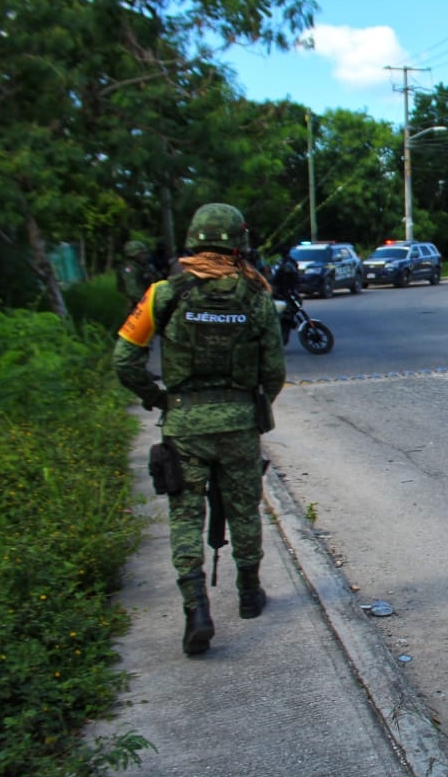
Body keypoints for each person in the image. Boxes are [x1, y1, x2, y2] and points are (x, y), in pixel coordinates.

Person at [114, 203, 286, 657]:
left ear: (194, 239)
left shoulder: (163, 294)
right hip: (238, 425)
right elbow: (274, 372)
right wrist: (251, 406)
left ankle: (196, 610)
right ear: (238, 244)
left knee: (186, 516)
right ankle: (249, 594)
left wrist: (158, 398)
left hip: (185, 425)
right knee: (245, 510)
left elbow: (124, 360)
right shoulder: (257, 297)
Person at [119, 240, 162, 312]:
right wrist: (149, 301)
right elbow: (132, 290)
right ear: (134, 255)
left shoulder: (145, 266)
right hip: (136, 305)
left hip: (148, 300)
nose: (145, 256)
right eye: (142, 254)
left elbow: (158, 279)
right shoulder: (129, 269)